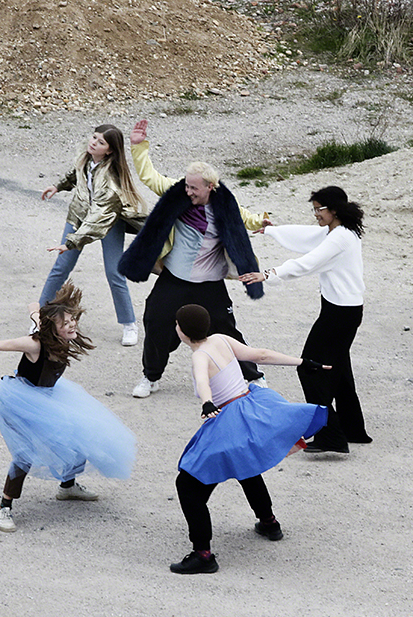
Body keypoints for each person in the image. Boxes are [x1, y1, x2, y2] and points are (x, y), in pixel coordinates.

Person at [0, 282, 136, 533]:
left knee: (75, 433)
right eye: (65, 322)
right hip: (20, 400)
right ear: (51, 328)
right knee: (24, 453)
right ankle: (4, 506)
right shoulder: (34, 344)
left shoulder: (51, 329)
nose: (72, 325)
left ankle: (67, 487)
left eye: (72, 320)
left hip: (48, 395)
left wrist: (35, 309)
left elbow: (36, 312)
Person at [169, 304, 328, 574]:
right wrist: (303, 362)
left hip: (230, 417)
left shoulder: (199, 356)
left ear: (182, 331)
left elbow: (201, 379)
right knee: (245, 461)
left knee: (187, 485)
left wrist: (207, 403)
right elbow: (261, 355)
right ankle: (269, 522)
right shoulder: (221, 339)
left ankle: (203, 555)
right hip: (252, 406)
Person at [119, 119, 266, 398]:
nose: (188, 191)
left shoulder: (225, 203)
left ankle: (253, 376)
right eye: (186, 186)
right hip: (175, 278)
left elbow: (244, 216)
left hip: (210, 283)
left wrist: (261, 220)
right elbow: (151, 177)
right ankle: (151, 377)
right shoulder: (178, 194)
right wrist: (139, 147)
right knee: (155, 322)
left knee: (226, 331)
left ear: (210, 187)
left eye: (193, 188)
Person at [240, 186, 371, 454]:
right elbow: (308, 236)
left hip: (340, 315)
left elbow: (308, 262)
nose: (315, 215)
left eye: (318, 209)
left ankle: (330, 436)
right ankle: (352, 428)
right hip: (342, 311)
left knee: (311, 368)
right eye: (313, 209)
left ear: (334, 210)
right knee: (338, 369)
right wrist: (272, 230)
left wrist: (269, 274)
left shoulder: (340, 238)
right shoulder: (338, 231)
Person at [40, 124, 147, 346]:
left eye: (100, 142)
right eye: (94, 137)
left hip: (108, 222)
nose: (93, 143)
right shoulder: (86, 158)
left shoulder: (111, 181)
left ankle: (129, 324)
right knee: (61, 267)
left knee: (114, 272)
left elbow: (98, 218)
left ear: (109, 151)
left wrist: (72, 242)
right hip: (78, 215)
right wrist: (58, 186)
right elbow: (76, 174)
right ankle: (40, 316)